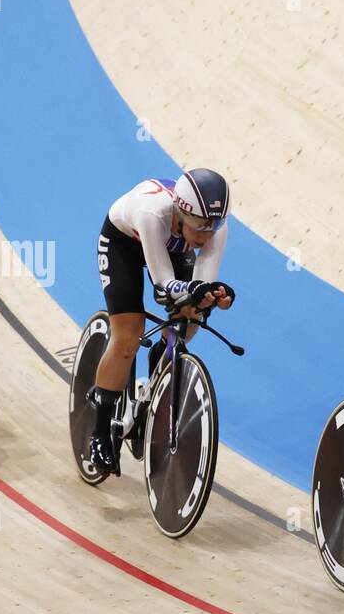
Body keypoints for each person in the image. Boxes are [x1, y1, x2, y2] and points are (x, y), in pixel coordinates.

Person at [88, 168, 235, 474]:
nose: (206, 236)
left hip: (171, 246)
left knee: (192, 313)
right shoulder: (151, 213)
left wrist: (213, 296)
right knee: (128, 336)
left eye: (213, 227)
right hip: (123, 243)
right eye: (200, 227)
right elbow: (163, 283)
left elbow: (201, 285)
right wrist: (189, 292)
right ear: (181, 213)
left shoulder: (213, 229)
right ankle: (100, 432)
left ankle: (161, 357)